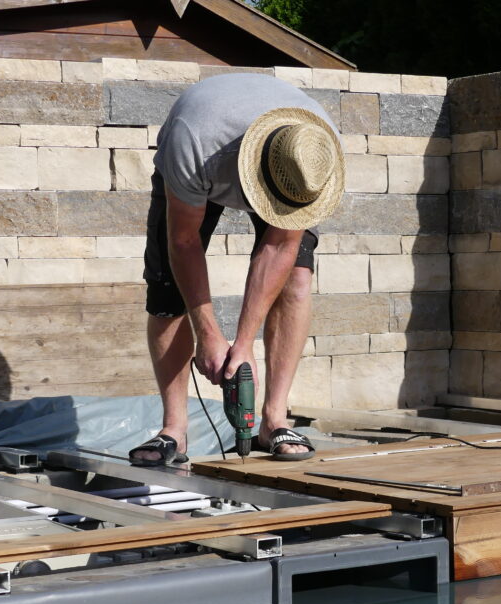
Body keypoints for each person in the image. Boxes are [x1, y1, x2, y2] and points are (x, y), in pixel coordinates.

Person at [129, 73, 345, 467]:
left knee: (296, 278)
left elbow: (280, 245)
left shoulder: (313, 154)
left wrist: (242, 346)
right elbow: (184, 242)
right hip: (204, 158)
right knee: (167, 290)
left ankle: (274, 421)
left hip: (279, 159)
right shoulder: (194, 142)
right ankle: (173, 430)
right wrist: (208, 335)